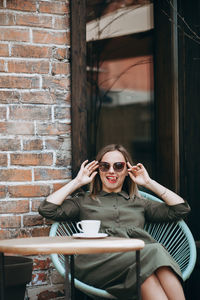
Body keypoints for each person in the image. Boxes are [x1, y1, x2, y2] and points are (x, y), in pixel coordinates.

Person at [39, 144, 190, 300]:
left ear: (127, 171)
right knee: (155, 250)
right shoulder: (85, 200)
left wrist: (149, 182)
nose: (111, 171)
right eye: (105, 166)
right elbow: (47, 209)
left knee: (147, 277)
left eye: (118, 166)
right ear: (98, 171)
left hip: (136, 264)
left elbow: (181, 209)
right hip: (96, 263)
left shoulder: (139, 202)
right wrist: (77, 182)